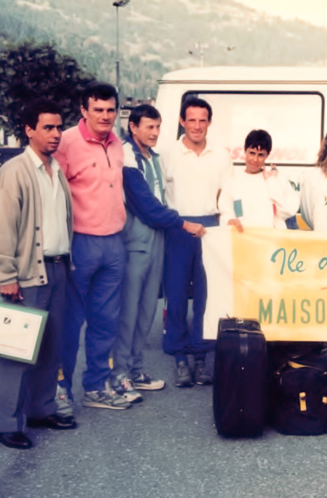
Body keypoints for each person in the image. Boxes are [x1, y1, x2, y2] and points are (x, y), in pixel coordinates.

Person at [0, 98, 76, 449]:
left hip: (57, 269)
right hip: (25, 276)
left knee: (50, 349)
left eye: (58, 127)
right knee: (15, 350)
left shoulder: (55, 170)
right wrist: (6, 274)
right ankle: (7, 424)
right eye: (48, 128)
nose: (56, 134)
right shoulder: (14, 172)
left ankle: (41, 409)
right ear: (29, 130)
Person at [111, 105, 200, 402]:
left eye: (158, 127)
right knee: (129, 310)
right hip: (137, 240)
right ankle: (119, 373)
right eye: (148, 127)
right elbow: (146, 206)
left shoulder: (155, 159)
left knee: (148, 308)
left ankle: (135, 369)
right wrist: (182, 222)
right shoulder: (126, 156)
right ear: (133, 127)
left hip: (159, 239)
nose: (155, 133)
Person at [54, 82, 130, 411]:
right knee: (70, 322)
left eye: (110, 109)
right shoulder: (67, 142)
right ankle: (59, 388)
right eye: (97, 109)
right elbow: (55, 195)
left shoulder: (117, 144)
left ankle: (96, 385)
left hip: (114, 242)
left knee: (105, 321)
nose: (105, 116)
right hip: (80, 243)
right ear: (84, 111)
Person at [161, 97, 231, 387]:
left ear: (210, 123)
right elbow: (160, 195)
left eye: (203, 120)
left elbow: (228, 194)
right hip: (178, 228)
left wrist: (229, 221)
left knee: (206, 297)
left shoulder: (221, 155)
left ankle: (202, 358)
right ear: (182, 121)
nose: (197, 126)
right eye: (192, 120)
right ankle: (179, 358)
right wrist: (176, 222)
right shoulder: (168, 154)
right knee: (176, 297)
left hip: (210, 228)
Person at [218, 129, 300, 231]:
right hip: (242, 242)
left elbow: (288, 210)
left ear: (267, 155)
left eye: (261, 155)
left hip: (272, 243)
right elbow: (225, 211)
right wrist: (229, 220)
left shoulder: (276, 180)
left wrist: (271, 182)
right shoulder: (233, 182)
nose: (255, 159)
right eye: (252, 153)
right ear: (245, 151)